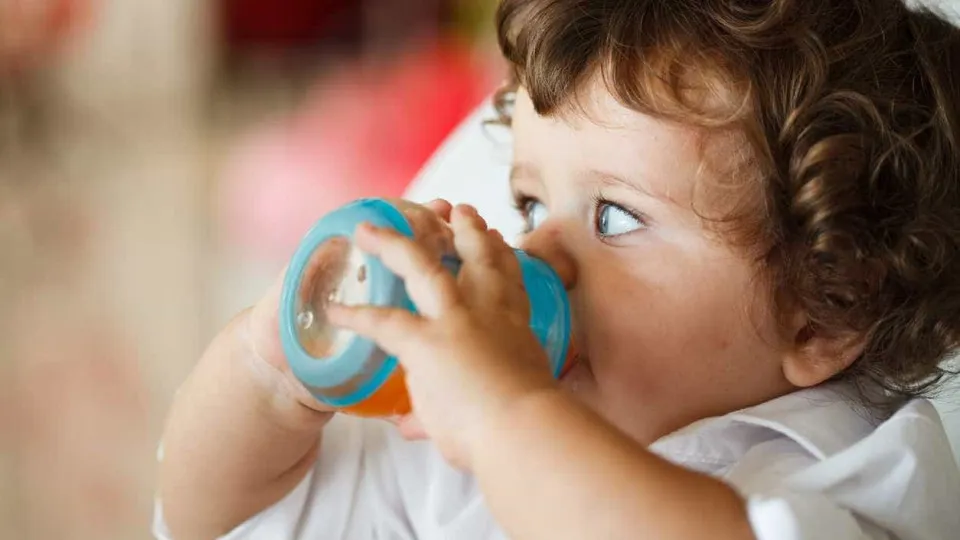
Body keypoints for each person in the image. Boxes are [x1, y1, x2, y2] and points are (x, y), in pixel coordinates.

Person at [155, 0, 960, 538]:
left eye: (615, 217)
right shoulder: (454, 448)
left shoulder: (852, 476)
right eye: (531, 204)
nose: (535, 252)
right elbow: (210, 520)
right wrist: (271, 369)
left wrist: (500, 414)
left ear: (823, 311)